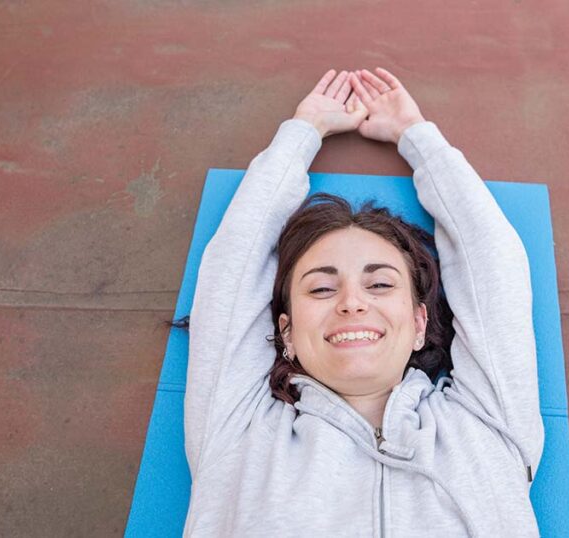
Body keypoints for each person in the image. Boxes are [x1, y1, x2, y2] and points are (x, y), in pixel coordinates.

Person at [178, 68, 545, 537]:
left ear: (418, 322)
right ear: (286, 331)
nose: (352, 302)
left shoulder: (486, 427)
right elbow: (235, 262)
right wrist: (302, 131)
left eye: (380, 285)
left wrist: (418, 138)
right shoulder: (239, 433)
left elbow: (493, 265)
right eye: (322, 289)